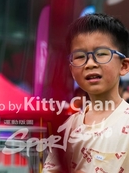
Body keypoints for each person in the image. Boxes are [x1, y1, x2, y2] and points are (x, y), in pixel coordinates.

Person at [43, 13, 129, 172]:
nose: (90, 64)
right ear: (71, 69)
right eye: (80, 56)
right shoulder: (67, 128)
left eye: (101, 54)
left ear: (123, 66)